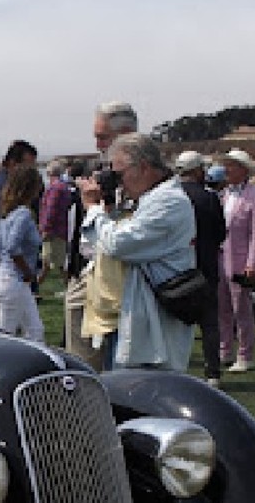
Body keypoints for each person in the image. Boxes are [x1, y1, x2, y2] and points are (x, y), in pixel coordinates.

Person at [80, 133, 196, 371]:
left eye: (120, 175)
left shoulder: (169, 202)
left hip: (152, 324)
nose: (119, 182)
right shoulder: (147, 199)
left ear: (143, 167)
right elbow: (94, 247)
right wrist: (109, 208)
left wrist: (93, 209)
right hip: (126, 318)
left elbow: (118, 244)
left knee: (140, 399)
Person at [67, 101, 139, 370]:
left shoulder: (142, 181)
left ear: (127, 134)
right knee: (79, 360)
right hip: (86, 272)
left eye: (102, 137)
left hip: (117, 283)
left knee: (117, 367)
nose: (97, 145)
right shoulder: (98, 173)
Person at [175, 150, 228, 386]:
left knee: (175, 323)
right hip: (205, 266)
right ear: (197, 170)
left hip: (177, 269)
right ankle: (213, 371)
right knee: (209, 324)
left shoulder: (171, 197)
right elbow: (220, 232)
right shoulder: (209, 198)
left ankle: (176, 367)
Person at [0, 140, 38, 327]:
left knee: (0, 319)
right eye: (27, 164)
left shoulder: (6, 186)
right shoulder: (0, 187)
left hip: (2, 263)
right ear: (12, 162)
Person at [217, 148, 255, 373]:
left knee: (242, 310)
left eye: (232, 166)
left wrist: (252, 264)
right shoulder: (226, 194)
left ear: (243, 170)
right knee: (223, 308)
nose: (227, 169)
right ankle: (224, 350)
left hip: (240, 260)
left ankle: (245, 354)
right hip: (222, 258)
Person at [0, 164, 45, 342]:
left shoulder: (7, 214)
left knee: (35, 330)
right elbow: (11, 246)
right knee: (6, 335)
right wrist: (27, 271)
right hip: (15, 279)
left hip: (7, 277)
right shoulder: (23, 214)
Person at [37, 159, 73, 299]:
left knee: (52, 261)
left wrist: (45, 228)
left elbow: (50, 209)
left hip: (53, 231)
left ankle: (35, 287)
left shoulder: (55, 188)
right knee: (53, 262)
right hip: (60, 229)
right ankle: (36, 286)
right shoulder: (63, 187)